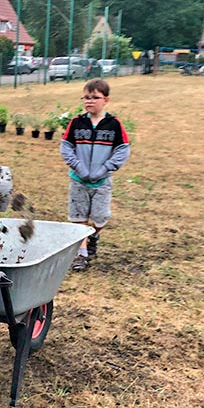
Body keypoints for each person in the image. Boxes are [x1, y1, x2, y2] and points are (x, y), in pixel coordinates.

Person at [60, 79, 131, 271]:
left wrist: (106, 168)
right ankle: (81, 255)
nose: (90, 101)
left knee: (100, 216)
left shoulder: (113, 124)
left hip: (102, 182)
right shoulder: (76, 122)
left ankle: (94, 235)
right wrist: (78, 167)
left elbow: (123, 149)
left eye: (95, 98)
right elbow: (66, 147)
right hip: (78, 180)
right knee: (78, 217)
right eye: (86, 97)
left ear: (106, 100)